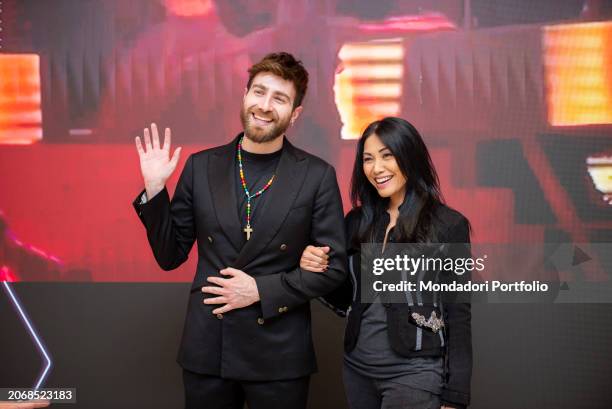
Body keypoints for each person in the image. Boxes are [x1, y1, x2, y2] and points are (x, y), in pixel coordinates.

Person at [132, 52, 347, 409]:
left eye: (279, 98)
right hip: (208, 349)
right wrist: (155, 191)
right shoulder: (201, 167)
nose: (264, 105)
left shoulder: (316, 176)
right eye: (258, 92)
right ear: (244, 95)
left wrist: (260, 290)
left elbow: (335, 270)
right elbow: (170, 256)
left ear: (294, 114)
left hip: (280, 354)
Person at [300, 117, 472, 409]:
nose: (376, 168)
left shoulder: (448, 225)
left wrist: (456, 394)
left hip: (414, 375)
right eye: (368, 159)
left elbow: (458, 313)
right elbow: (345, 299)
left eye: (386, 156)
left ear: (409, 156)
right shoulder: (356, 222)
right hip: (357, 369)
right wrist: (316, 269)